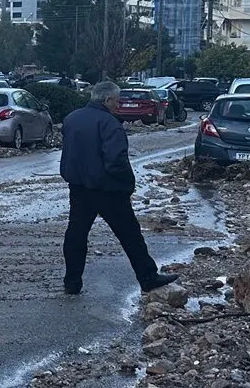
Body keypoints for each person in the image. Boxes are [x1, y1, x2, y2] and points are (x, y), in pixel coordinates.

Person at [59, 80, 176, 296]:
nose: (119, 104)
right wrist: (127, 185)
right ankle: (148, 277)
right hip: (108, 189)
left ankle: (72, 282)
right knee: (130, 235)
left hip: (79, 187)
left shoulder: (72, 118)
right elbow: (116, 161)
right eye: (117, 100)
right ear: (108, 99)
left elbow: (69, 153)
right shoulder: (110, 123)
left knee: (76, 234)